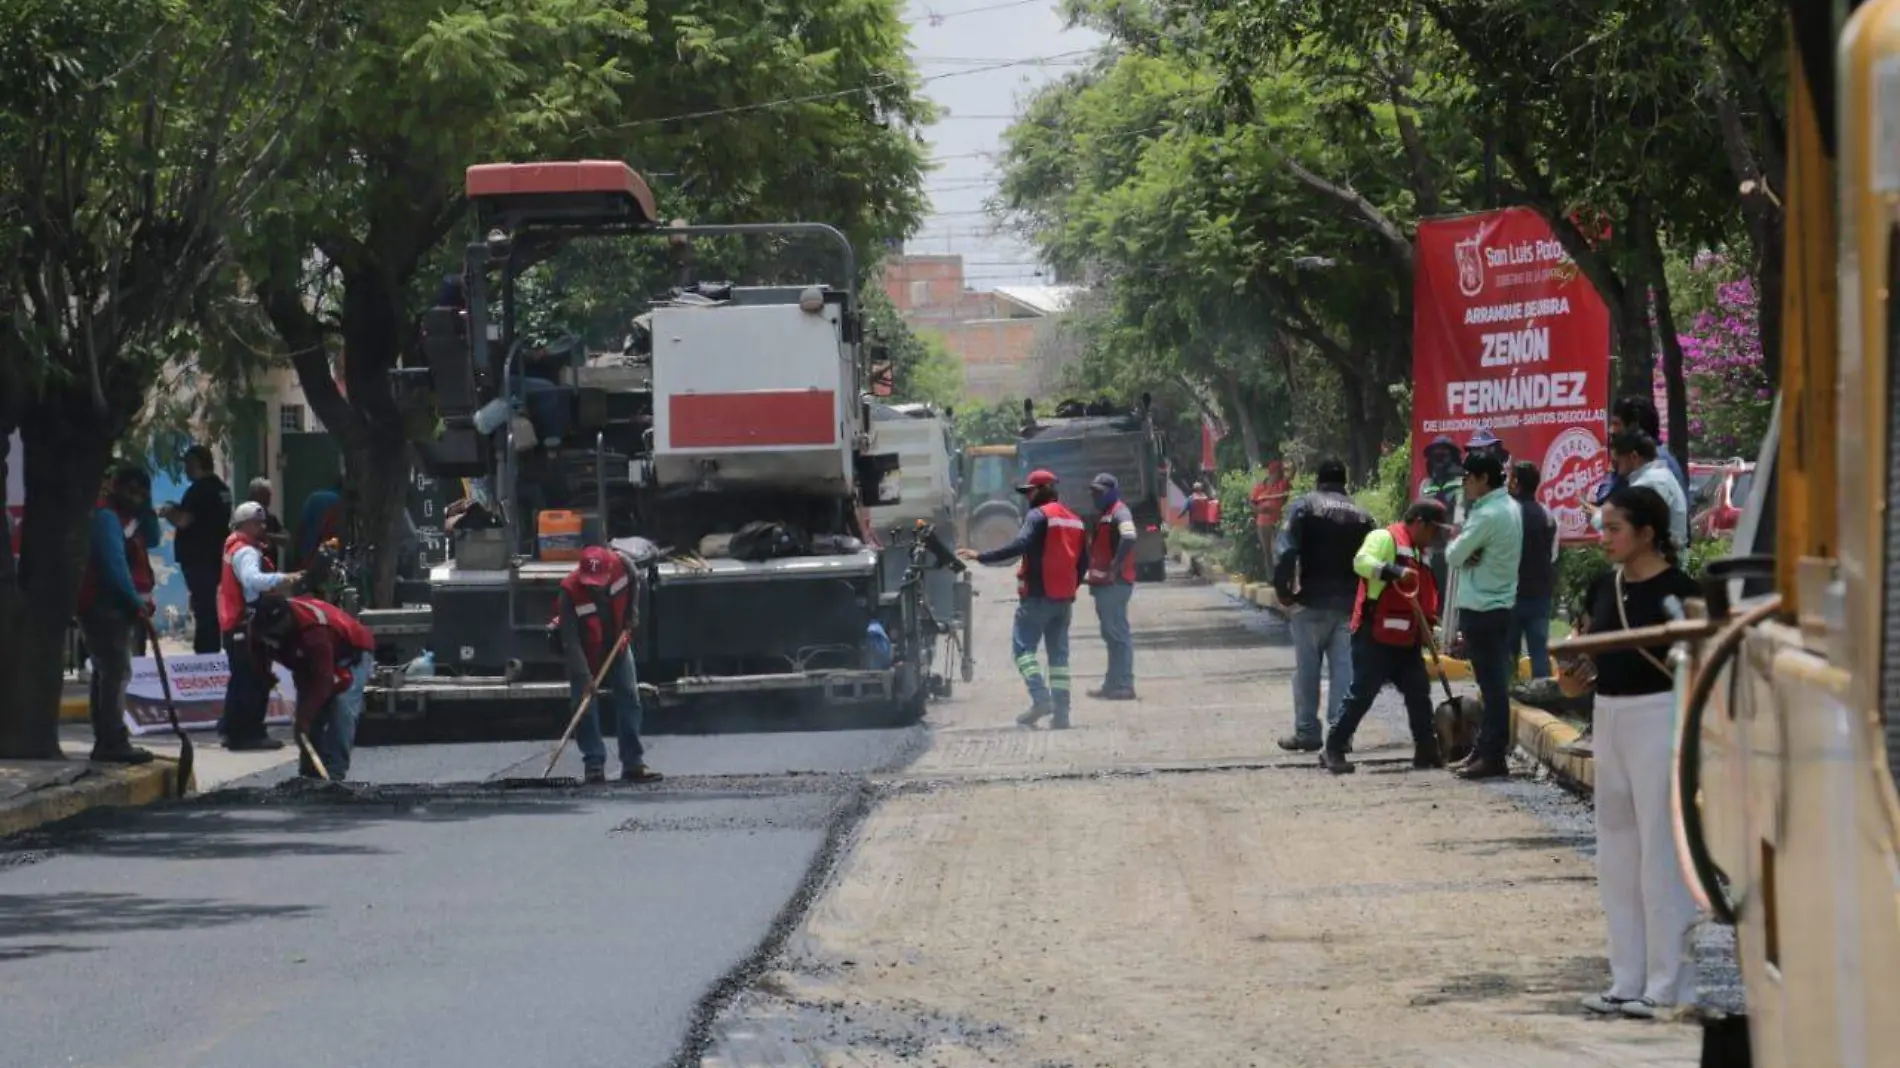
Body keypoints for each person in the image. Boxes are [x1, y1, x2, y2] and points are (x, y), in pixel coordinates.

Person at [1566, 485, 1702, 1020]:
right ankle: (1626, 978)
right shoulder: (1605, 587)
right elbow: (1589, 659)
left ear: (1647, 533)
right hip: (1609, 714)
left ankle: (1669, 983)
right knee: (1616, 854)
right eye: (1603, 528)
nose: (1604, 538)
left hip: (1659, 715)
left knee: (1661, 851)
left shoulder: (1682, 592)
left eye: (1614, 528)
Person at [1320, 500, 1450, 773]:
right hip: (1375, 636)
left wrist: (1430, 629)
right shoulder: (1384, 538)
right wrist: (1394, 572)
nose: (1435, 537)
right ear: (1419, 523)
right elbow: (1361, 562)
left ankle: (1426, 748)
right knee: (1362, 693)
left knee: (1418, 692)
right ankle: (1333, 747)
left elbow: (1425, 596)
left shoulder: (1419, 551)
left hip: (1407, 638)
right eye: (1433, 529)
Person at [957, 469, 1087, 729]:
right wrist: (1070, 586)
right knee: (1059, 658)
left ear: (1041, 491)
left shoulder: (1038, 516)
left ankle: (1041, 699)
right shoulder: (1075, 520)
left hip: (1038, 597)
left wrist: (980, 556)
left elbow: (1019, 545)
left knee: (1022, 650)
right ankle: (1062, 714)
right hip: (1063, 599)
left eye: (1030, 492)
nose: (1028, 497)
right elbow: (1084, 562)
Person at [1271, 458, 1374, 753]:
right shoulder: (1363, 515)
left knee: (1307, 671)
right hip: (1348, 606)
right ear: (1345, 483)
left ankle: (1307, 733)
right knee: (1344, 673)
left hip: (1310, 603)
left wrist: (1284, 590)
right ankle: (1341, 735)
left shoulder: (1305, 506)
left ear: (1319, 481)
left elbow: (1286, 550)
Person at [555, 545, 662, 784]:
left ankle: (633, 763)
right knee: (584, 706)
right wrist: (584, 677)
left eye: (598, 582)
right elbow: (570, 642)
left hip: (617, 646)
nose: (594, 587)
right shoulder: (569, 592)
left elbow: (636, 581)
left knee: (629, 697)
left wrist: (633, 610)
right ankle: (594, 763)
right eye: (589, 583)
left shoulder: (623, 566)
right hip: (585, 653)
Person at [1445, 450, 1522, 780]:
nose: (1465, 484)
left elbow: (1453, 554)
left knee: (1492, 688)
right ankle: (1485, 750)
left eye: (1468, 478)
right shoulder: (1510, 507)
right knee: (1493, 685)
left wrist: (1463, 548)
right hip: (1500, 605)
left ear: (1483, 479)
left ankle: (1492, 754)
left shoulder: (1486, 514)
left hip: (1482, 608)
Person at [75, 466, 158, 765]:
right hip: (105, 605)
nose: (135, 497)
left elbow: (155, 537)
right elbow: (114, 568)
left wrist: (146, 510)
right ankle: (112, 740)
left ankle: (108, 739)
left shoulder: (128, 520)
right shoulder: (107, 518)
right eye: (130, 490)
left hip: (115, 605)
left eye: (141, 492)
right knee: (115, 671)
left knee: (108, 671)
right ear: (115, 487)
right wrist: (135, 602)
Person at [248, 594, 375, 781]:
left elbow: (322, 682)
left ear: (287, 619)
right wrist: (264, 675)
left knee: (341, 707)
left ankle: (334, 771)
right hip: (306, 660)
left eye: (277, 630)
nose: (273, 636)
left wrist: (303, 719)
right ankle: (310, 771)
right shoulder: (259, 625)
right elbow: (256, 652)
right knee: (309, 717)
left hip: (350, 653)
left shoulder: (315, 631)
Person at [217, 501, 301, 750]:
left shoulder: (233, 547)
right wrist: (284, 579)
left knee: (241, 678)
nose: (262, 527)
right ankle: (250, 733)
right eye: (257, 522)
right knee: (254, 678)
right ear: (244, 524)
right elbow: (252, 580)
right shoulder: (245, 551)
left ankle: (231, 729)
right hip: (247, 624)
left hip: (236, 623)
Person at [160, 445, 232, 654]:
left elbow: (184, 520)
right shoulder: (222, 489)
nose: (185, 470)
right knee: (211, 608)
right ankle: (213, 651)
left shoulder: (198, 491)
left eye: (188, 464)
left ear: (197, 464)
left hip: (199, 560)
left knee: (204, 609)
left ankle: (205, 655)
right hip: (216, 557)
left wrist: (169, 512)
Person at [1084, 472, 1139, 701]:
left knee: (1117, 634)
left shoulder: (1120, 511)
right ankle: (1112, 684)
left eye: (1100, 493)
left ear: (1112, 492)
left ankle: (1125, 684)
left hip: (1116, 584)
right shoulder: (1105, 514)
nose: (1095, 497)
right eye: (1094, 493)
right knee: (1110, 634)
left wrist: (1115, 567)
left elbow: (1129, 537)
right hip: (1105, 585)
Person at [1590, 431, 1689, 551]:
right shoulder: (1660, 476)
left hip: (1657, 559)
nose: (1615, 467)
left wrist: (1597, 515)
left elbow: (1630, 525)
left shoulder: (1649, 483)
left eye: (1618, 461)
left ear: (1634, 457)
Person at [1509, 460, 1560, 679]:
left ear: (1516, 482)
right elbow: (1554, 554)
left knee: (1507, 653)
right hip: (1540, 593)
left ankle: (1506, 697)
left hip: (1510, 594)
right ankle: (1544, 697)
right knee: (1539, 652)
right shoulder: (1548, 515)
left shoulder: (1505, 515)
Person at [1250, 462, 1291, 572]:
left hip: (1277, 522)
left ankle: (1280, 576)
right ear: (1272, 473)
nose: (1281, 474)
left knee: (1276, 550)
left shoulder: (1283, 483)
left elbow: (1292, 471)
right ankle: (1271, 577)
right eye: (1279, 472)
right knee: (1267, 552)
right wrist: (1259, 510)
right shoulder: (1260, 486)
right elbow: (1252, 502)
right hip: (1263, 523)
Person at [247, 477, 288, 569]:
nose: (268, 498)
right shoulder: (246, 516)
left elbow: (285, 538)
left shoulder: (270, 518)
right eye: (265, 495)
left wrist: (268, 536)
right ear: (254, 495)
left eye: (269, 495)